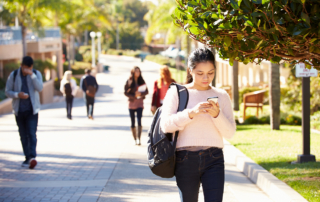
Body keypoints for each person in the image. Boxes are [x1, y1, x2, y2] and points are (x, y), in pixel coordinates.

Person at [160, 48, 236, 202]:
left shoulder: (222, 95)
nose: (206, 78)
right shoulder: (176, 92)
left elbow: (230, 133)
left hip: (214, 158)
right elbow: (166, 125)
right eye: (200, 73)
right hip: (185, 159)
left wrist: (217, 115)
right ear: (190, 70)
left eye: (211, 72)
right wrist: (190, 113)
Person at [5, 56, 43, 169]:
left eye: (29, 68)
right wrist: (17, 95)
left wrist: (32, 75)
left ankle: (32, 157)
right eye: (24, 68)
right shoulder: (14, 75)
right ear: (21, 65)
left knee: (32, 134)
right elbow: (7, 91)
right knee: (23, 135)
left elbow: (40, 88)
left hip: (32, 110)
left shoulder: (36, 74)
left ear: (31, 67)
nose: (26, 70)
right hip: (19, 111)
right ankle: (27, 157)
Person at [124, 66, 149, 145]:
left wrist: (141, 93)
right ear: (133, 72)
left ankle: (139, 139)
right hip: (131, 104)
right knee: (132, 122)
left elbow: (147, 91)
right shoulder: (129, 81)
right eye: (136, 71)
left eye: (139, 71)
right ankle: (134, 138)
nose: (138, 73)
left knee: (139, 121)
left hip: (140, 104)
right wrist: (133, 95)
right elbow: (125, 92)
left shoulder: (142, 81)